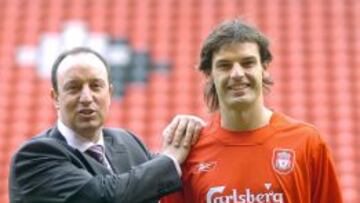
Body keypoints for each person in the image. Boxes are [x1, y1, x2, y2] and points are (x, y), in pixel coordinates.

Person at [161, 19, 343, 203]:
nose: (237, 74)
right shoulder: (190, 153)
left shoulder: (307, 142)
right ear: (209, 74)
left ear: (264, 68)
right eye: (225, 65)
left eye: (247, 63)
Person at [9, 47, 205, 203]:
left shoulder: (129, 143)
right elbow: (105, 196)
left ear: (109, 94)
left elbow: (177, 177)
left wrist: (196, 135)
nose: (86, 98)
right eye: (74, 88)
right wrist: (169, 159)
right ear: (55, 98)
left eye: (96, 86)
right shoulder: (34, 157)